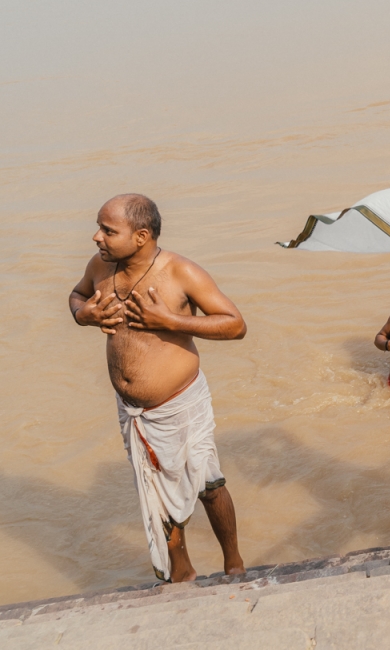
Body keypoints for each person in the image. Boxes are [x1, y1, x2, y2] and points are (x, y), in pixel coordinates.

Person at [69, 194, 248, 583]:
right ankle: (181, 576)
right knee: (155, 494)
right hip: (133, 410)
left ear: (141, 236)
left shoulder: (181, 272)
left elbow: (235, 325)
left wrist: (168, 320)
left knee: (208, 483)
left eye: (108, 230)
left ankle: (234, 563)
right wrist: (85, 315)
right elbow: (77, 295)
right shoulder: (100, 266)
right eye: (99, 227)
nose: (96, 237)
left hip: (181, 403)